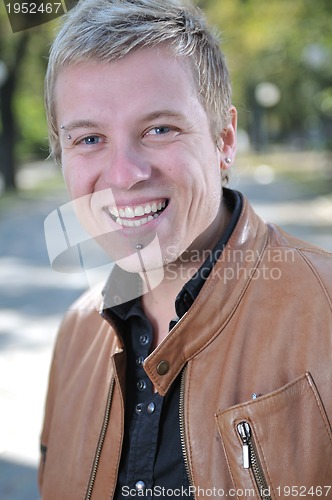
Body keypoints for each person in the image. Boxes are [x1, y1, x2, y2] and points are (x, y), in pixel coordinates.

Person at [39, 0, 332, 498]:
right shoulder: (74, 335)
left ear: (225, 139)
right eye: (89, 138)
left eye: (159, 129)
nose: (124, 175)